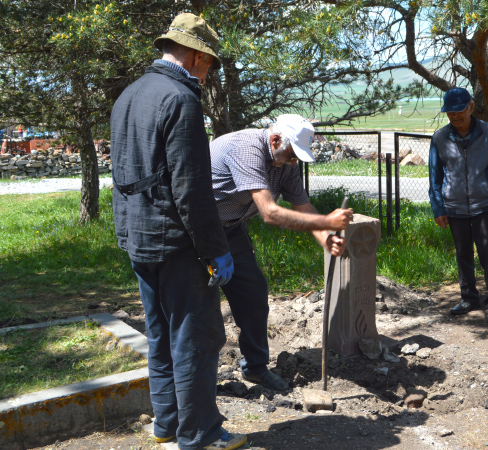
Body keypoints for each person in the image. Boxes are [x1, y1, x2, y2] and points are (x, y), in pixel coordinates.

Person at [110, 13, 246, 450]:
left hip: (138, 239)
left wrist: (127, 234)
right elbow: (191, 189)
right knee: (196, 339)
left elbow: (123, 175)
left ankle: (166, 424)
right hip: (176, 243)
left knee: (160, 335)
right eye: (208, 63)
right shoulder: (181, 99)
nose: (208, 74)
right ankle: (201, 435)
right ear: (192, 54)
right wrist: (215, 249)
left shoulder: (129, 95)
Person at [209, 114, 354, 389]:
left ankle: (255, 367)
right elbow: (270, 213)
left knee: (253, 291)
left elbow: (303, 207)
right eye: (291, 155)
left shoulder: (285, 162)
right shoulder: (247, 148)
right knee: (201, 304)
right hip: (198, 229)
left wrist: (325, 238)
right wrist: (327, 222)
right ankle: (195, 379)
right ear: (275, 140)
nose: (293, 162)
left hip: (230, 227)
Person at [428, 87, 488, 324]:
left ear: (471, 107)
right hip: (454, 207)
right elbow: (435, 178)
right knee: (463, 254)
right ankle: (469, 298)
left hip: (486, 204)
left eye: (459, 111)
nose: (454, 116)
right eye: (449, 112)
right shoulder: (439, 138)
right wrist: (438, 209)